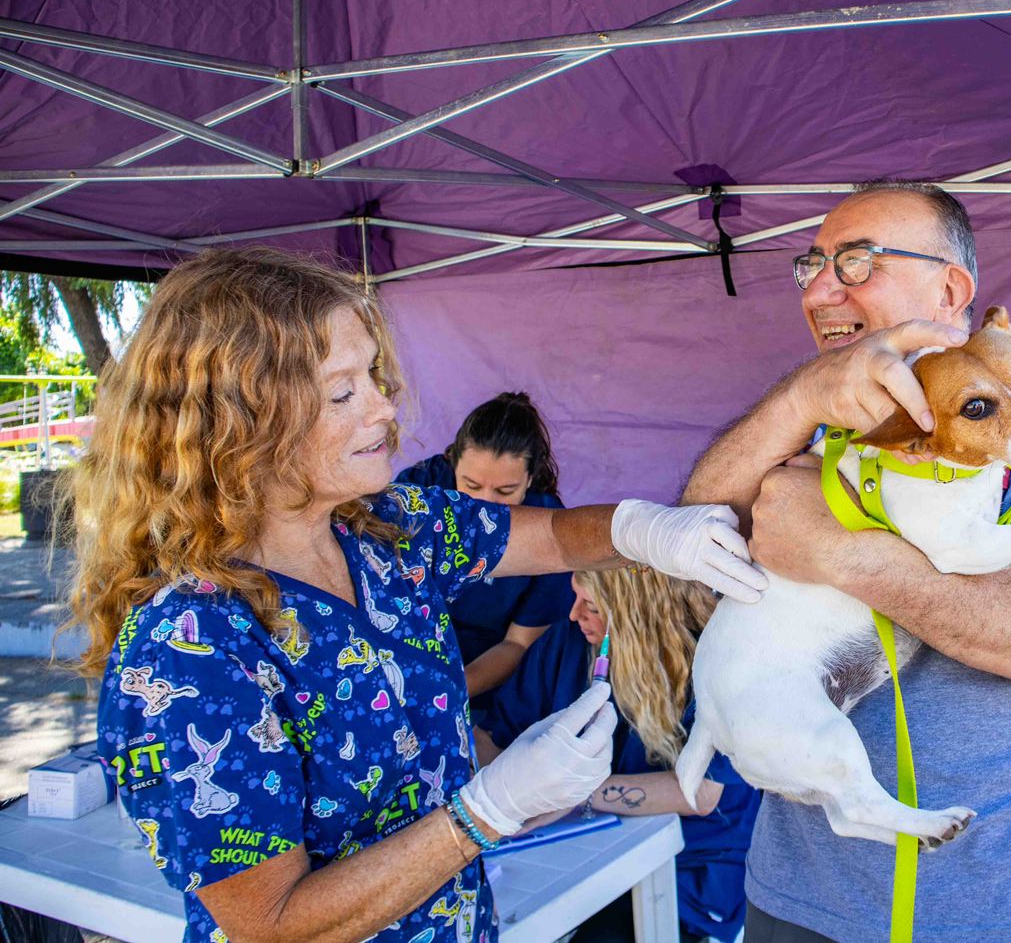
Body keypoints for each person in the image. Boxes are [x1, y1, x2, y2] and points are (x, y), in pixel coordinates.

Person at [72, 247, 765, 943]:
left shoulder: (387, 530)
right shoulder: (189, 643)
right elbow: (271, 925)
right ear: (241, 424)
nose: (384, 407)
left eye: (373, 375)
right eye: (342, 393)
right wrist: (485, 812)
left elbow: (554, 536)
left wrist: (642, 529)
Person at [682, 181, 1011, 943]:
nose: (819, 290)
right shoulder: (821, 418)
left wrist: (837, 551)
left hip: (1006, 899)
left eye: (856, 263)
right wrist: (801, 401)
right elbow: (694, 538)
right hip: (803, 893)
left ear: (950, 289)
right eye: (812, 266)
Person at [477, 567, 760, 943]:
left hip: (686, 866)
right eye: (575, 596)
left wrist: (571, 791)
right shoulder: (567, 642)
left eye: (591, 606)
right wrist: (502, 786)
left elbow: (701, 794)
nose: (574, 614)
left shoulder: (714, 658)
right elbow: (491, 733)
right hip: (571, 850)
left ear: (634, 608)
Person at [396, 392, 574, 704]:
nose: (483, 507)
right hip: (404, 662)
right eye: (471, 485)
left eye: (505, 491)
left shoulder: (550, 528)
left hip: (482, 686)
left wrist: (445, 695)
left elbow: (517, 645)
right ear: (452, 464)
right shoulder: (420, 489)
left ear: (530, 479)